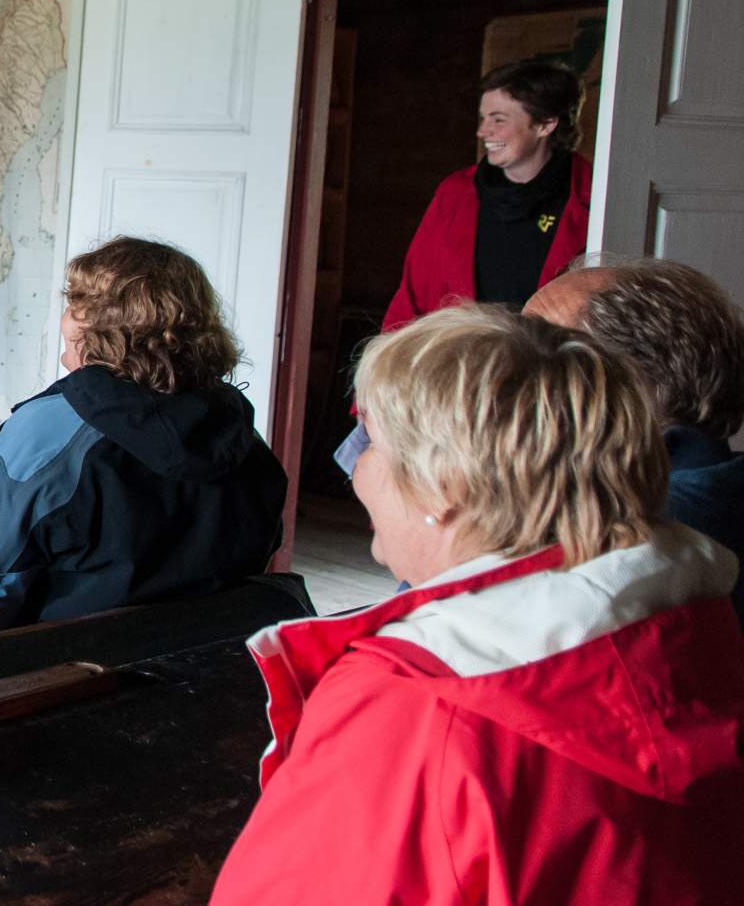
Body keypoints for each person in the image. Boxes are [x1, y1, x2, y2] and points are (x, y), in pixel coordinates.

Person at [211, 305, 744, 904]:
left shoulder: (418, 705)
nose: (355, 467)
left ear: (446, 486)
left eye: (374, 441)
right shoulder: (690, 629)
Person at [0, 237, 287, 643]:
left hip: (66, 676)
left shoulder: (50, 430)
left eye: (76, 304)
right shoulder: (241, 432)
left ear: (98, 330)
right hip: (205, 667)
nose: (66, 324)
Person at [525, 258, 744, 616]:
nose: (507, 389)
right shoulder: (718, 480)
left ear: (632, 379)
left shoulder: (641, 527)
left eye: (536, 364)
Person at [381, 60, 591, 331]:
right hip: (462, 367)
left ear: (545, 124)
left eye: (499, 120)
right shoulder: (454, 193)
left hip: (552, 368)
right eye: (484, 118)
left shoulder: (594, 196)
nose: (483, 132)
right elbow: (412, 296)